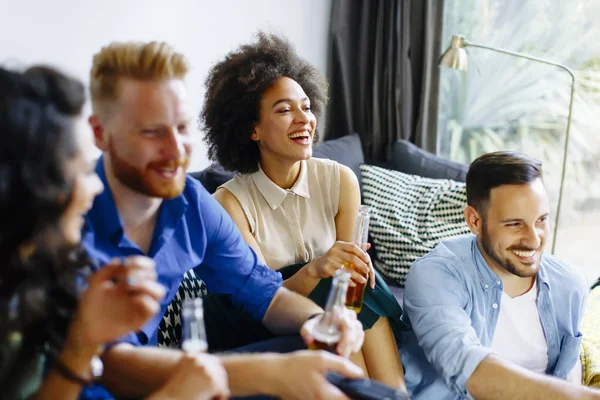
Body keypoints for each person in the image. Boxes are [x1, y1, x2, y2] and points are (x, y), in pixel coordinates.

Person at [82, 40, 365, 399]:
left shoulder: (192, 205)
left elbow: (266, 294)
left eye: (182, 127)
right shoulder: (66, 222)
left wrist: (319, 321)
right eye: (152, 131)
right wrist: (267, 373)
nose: (176, 149)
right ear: (99, 133)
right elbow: (106, 363)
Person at [0, 66, 229, 400]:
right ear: (31, 188)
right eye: (80, 171)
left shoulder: (34, 279)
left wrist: (83, 344)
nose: (95, 187)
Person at [201, 32, 405, 389]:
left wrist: (340, 269)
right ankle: (382, 394)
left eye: (307, 106)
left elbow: (350, 288)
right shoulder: (229, 203)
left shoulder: (340, 180)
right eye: (284, 110)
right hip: (245, 320)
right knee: (329, 279)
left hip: (324, 310)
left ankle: (391, 393)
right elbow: (259, 296)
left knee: (354, 278)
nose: (304, 119)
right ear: (253, 129)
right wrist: (316, 269)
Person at [399, 151, 599, 399]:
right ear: (474, 221)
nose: (533, 240)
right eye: (514, 224)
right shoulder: (435, 275)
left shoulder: (570, 285)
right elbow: (468, 369)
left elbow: (566, 373)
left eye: (541, 220)